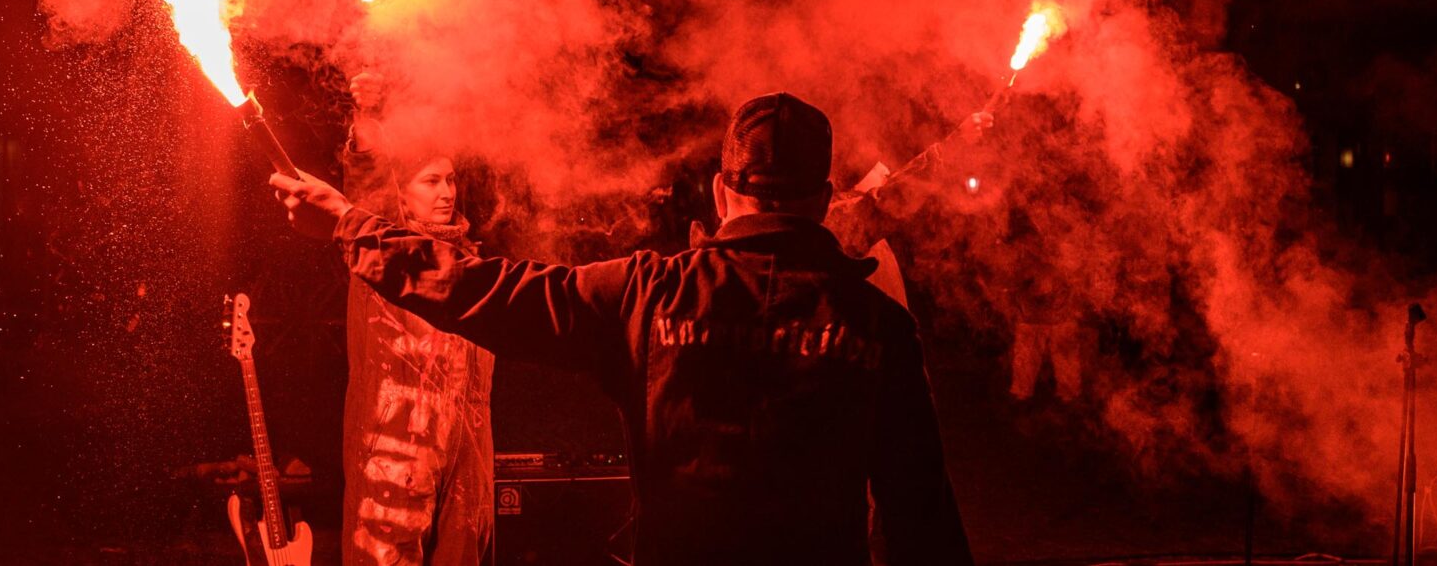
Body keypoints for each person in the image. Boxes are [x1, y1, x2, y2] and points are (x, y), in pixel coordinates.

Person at [274, 92, 973, 566]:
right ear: (823, 200)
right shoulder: (879, 327)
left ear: (723, 192)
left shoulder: (651, 293)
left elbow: (483, 290)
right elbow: (923, 519)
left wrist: (346, 222)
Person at [338, 72, 495, 566]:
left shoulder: (474, 269)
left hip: (465, 456)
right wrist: (367, 112)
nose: (447, 192)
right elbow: (366, 177)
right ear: (401, 196)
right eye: (431, 181)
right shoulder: (385, 252)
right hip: (394, 448)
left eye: (450, 180)